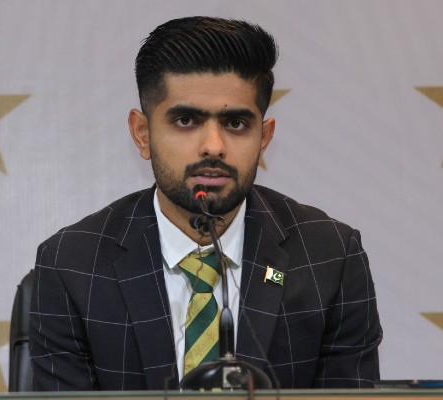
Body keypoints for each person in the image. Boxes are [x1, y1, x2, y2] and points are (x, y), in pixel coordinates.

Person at [29, 16, 382, 391]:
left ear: (264, 138)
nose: (214, 146)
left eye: (235, 124)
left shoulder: (330, 256)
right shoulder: (73, 264)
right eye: (186, 120)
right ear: (143, 133)